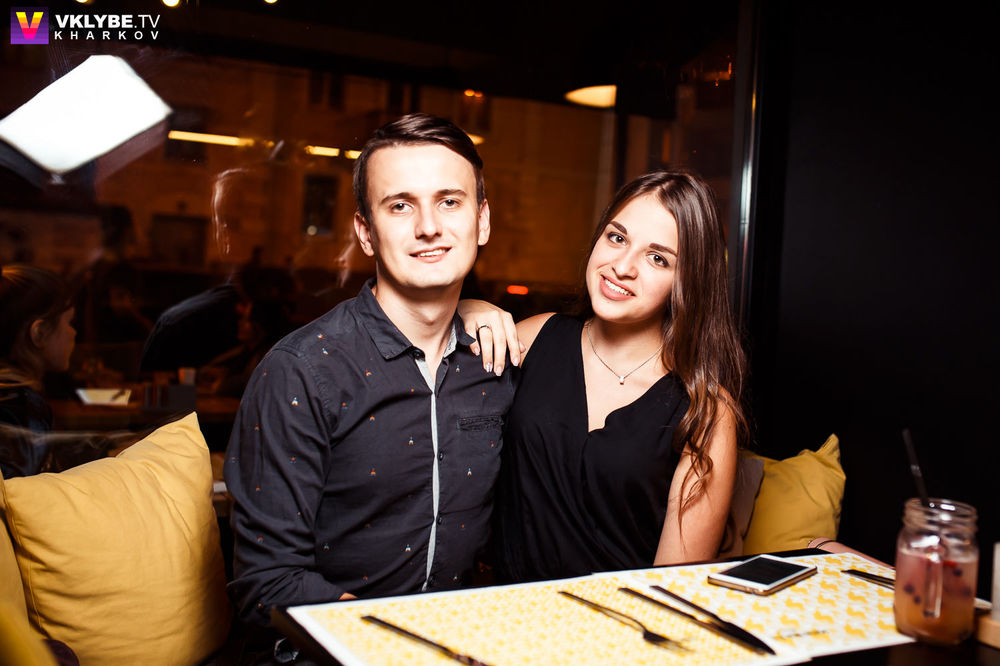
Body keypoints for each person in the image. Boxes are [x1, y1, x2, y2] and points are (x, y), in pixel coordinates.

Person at [224, 114, 516, 630]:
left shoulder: (495, 360)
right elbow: (267, 584)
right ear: (365, 232)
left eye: (449, 201)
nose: (429, 226)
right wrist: (403, 645)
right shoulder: (302, 372)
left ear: (483, 220)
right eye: (400, 205)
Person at [460, 168, 749, 582]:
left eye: (657, 258)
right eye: (617, 238)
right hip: (505, 608)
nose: (622, 266)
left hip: (624, 617)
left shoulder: (706, 411)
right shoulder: (533, 338)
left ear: (687, 281)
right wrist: (465, 309)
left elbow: (675, 585)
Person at [0, 264, 77, 478]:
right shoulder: (22, 408)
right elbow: (23, 490)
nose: (73, 333)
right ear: (39, 333)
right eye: (69, 322)